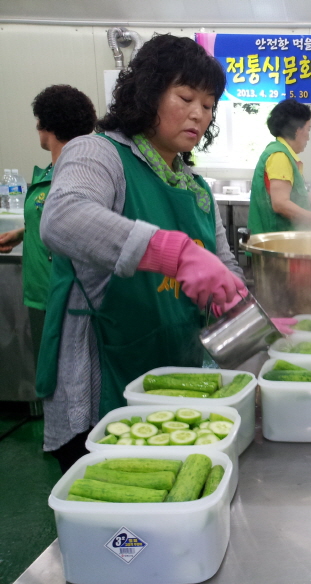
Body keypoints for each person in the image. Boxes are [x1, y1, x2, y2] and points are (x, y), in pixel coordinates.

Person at [37, 34, 247, 472]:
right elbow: (63, 218)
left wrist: (249, 313)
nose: (199, 114)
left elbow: (225, 272)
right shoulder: (98, 153)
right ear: (148, 93)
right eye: (186, 96)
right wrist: (173, 252)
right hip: (105, 375)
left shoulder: (195, 188)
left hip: (175, 378)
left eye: (208, 105)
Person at [0, 85, 96, 366]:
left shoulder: (75, 175)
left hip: (63, 298)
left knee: (64, 376)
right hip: (45, 293)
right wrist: (23, 232)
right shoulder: (53, 172)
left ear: (45, 125)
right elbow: (54, 222)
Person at [248, 98, 311, 234]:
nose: (308, 137)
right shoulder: (279, 156)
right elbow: (281, 204)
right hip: (276, 244)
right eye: (308, 129)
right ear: (298, 130)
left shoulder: (283, 153)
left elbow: (298, 195)